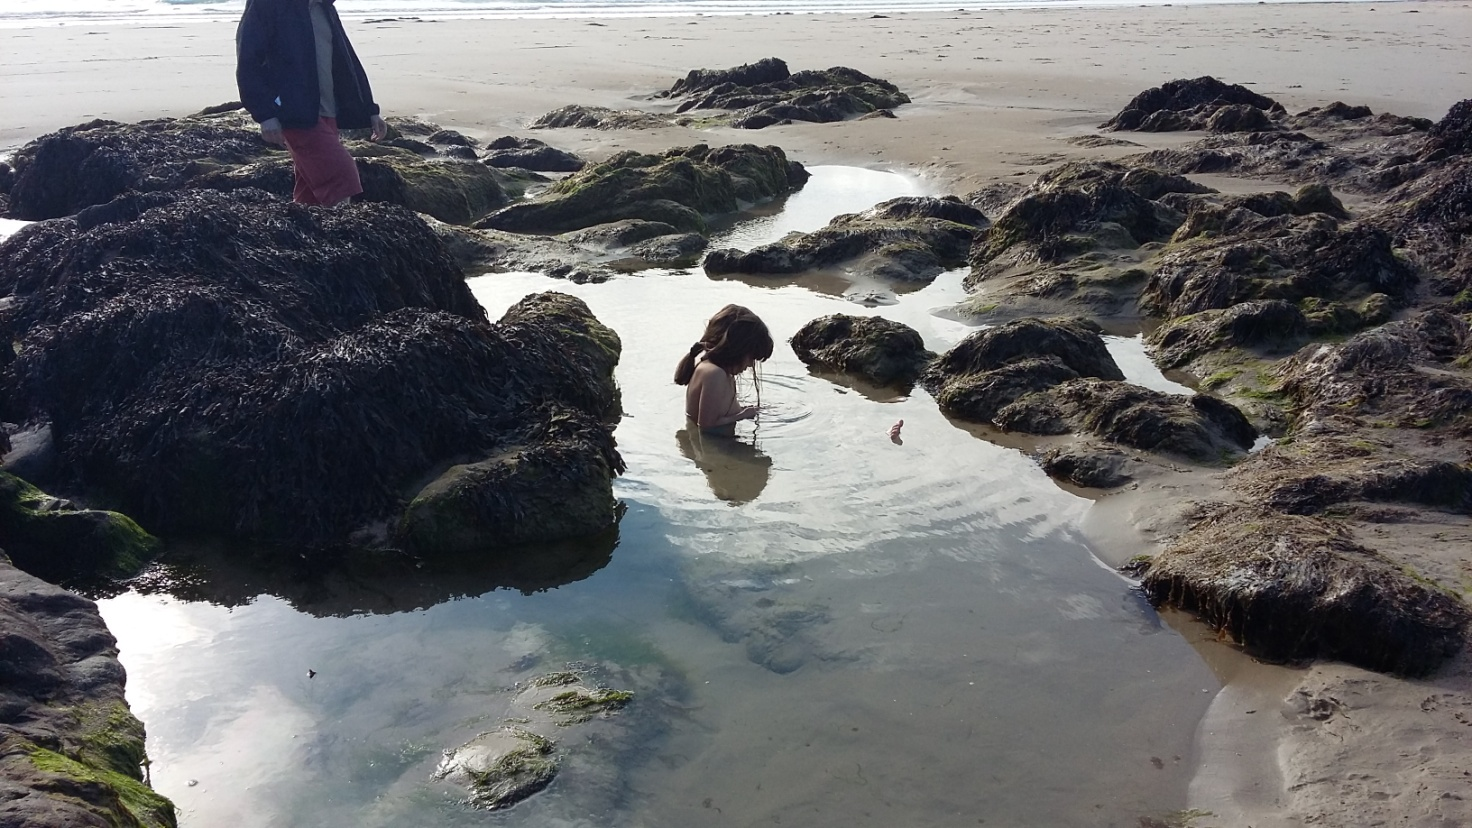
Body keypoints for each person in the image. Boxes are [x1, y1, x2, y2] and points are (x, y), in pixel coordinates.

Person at [236, 0, 389, 207]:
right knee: (342, 175)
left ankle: (304, 234)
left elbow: (346, 64)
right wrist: (265, 114)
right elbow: (249, 60)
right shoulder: (269, 4)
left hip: (328, 112)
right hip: (293, 113)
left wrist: (369, 110)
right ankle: (339, 234)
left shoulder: (324, 8)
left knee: (310, 196)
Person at [674, 305, 775, 432]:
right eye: (751, 358)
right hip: (716, 447)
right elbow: (707, 426)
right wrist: (743, 415)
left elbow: (718, 412)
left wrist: (744, 411)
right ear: (736, 350)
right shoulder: (714, 374)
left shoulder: (712, 369)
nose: (750, 365)